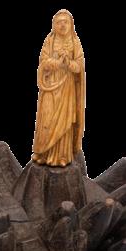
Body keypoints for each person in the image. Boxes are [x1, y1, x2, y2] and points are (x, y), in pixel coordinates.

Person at [32, 9, 85, 167]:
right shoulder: (50, 41)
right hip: (50, 86)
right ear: (54, 25)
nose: (62, 25)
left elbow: (79, 66)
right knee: (47, 118)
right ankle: (43, 153)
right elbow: (43, 62)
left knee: (64, 121)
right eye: (59, 22)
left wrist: (68, 62)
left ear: (71, 25)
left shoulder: (75, 42)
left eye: (65, 22)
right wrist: (57, 62)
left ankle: (62, 156)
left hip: (67, 89)